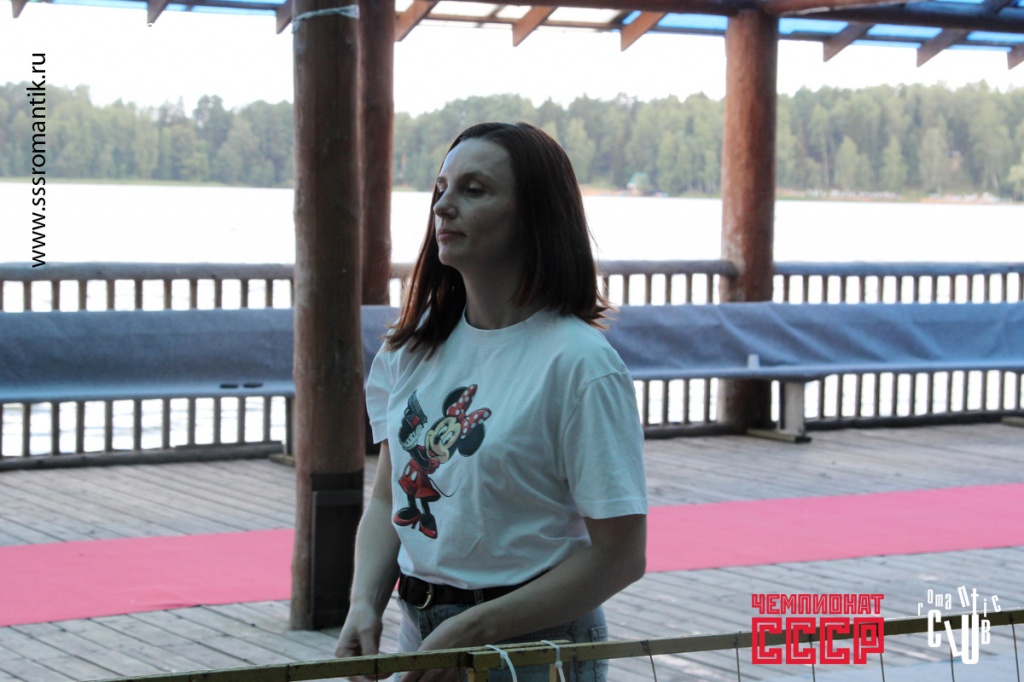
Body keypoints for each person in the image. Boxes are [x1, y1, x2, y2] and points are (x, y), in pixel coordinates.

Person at [335, 121, 648, 682]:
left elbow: (620, 556)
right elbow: (387, 499)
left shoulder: (579, 364)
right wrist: (365, 602)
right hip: (422, 632)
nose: (443, 206)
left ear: (534, 216)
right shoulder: (412, 349)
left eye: (474, 190)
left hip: (534, 648)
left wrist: (472, 629)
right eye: (441, 189)